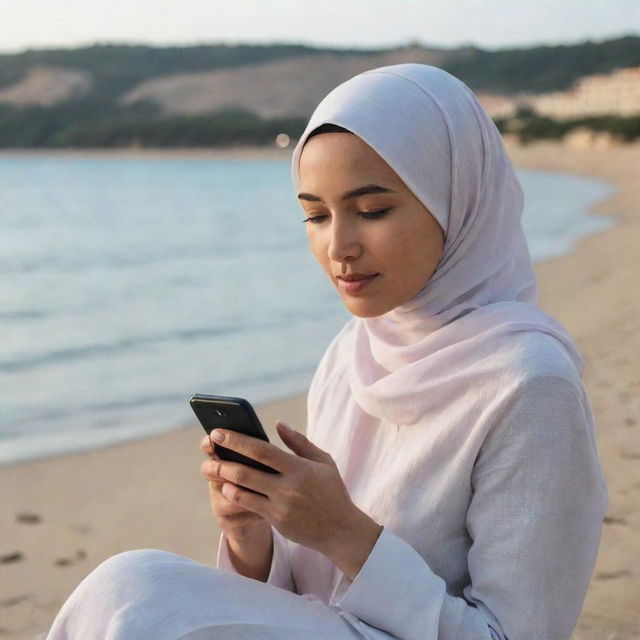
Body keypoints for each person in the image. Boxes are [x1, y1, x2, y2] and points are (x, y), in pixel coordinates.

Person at [45, 63, 608, 640]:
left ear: (457, 199)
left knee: (137, 592)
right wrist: (251, 536)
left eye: (372, 211)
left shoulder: (530, 383)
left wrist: (344, 532)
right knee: (125, 591)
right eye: (315, 215)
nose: (338, 247)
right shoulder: (351, 355)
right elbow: (306, 599)